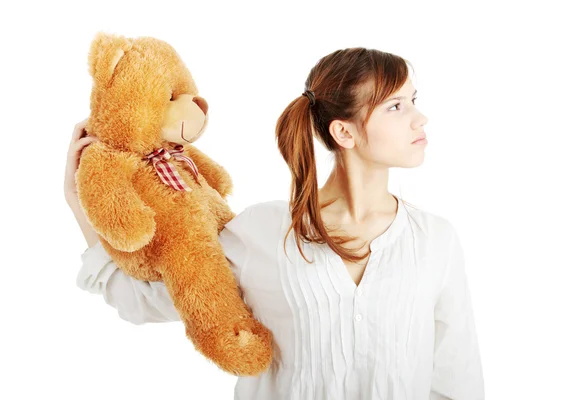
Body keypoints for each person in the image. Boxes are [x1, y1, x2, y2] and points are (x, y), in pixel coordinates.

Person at [65, 47, 484, 400]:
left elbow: (457, 379)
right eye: (397, 106)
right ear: (345, 132)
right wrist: (78, 205)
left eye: (414, 100)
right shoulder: (261, 232)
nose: (419, 118)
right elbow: (147, 300)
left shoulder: (436, 240)